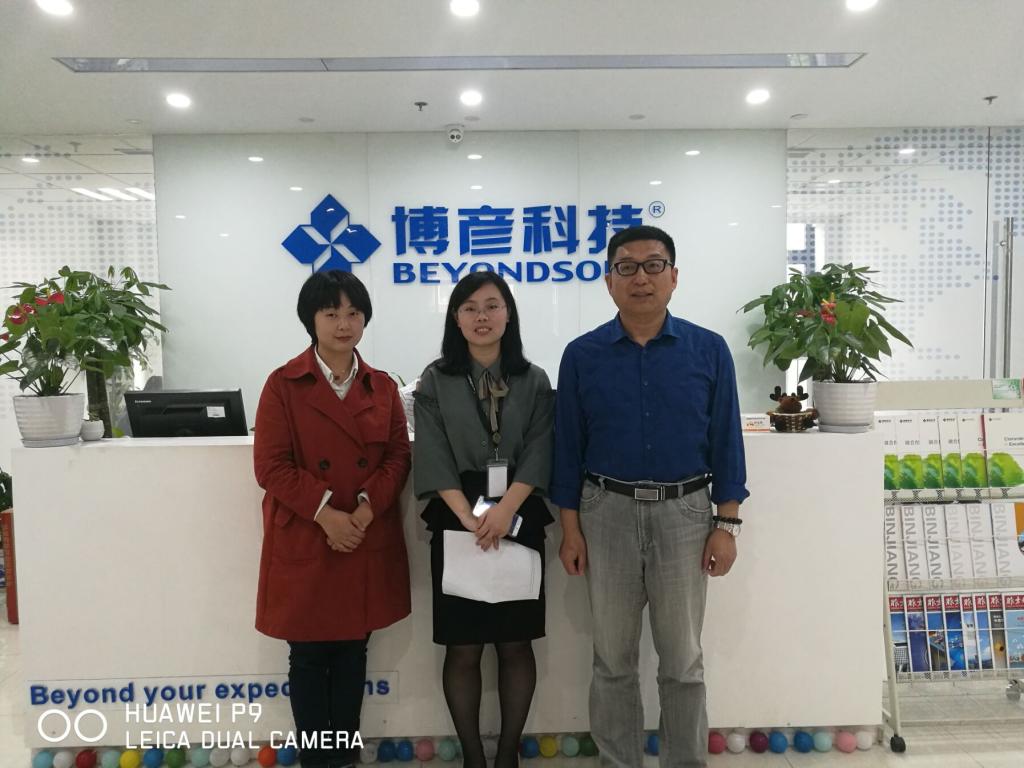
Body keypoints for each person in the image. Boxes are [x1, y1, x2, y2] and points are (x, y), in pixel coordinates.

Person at [551, 225, 749, 768]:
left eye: (653, 265)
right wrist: (570, 529)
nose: (641, 277)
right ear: (609, 281)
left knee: (682, 661)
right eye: (627, 267)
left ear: (674, 277)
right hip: (604, 512)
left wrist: (727, 525)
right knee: (612, 660)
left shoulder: (708, 350)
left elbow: (726, 441)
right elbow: (567, 449)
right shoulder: (582, 355)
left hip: (686, 514)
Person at [253, 270, 412, 768]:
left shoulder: (382, 386)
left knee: (352, 653)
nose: (344, 324)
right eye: (331, 313)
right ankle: (317, 761)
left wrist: (363, 510)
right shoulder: (283, 384)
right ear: (312, 320)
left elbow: (398, 457)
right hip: (309, 535)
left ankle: (342, 759)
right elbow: (270, 465)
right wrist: (327, 515)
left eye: (353, 313)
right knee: (307, 657)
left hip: (364, 534)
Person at [413, 272, 554, 768]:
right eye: (470, 307)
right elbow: (431, 454)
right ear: (455, 318)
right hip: (458, 516)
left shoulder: (534, 379)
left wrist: (506, 510)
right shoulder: (436, 379)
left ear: (508, 314)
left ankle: (507, 754)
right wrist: (471, 519)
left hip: (519, 510)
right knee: (464, 645)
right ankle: (473, 756)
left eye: (492, 306)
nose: (481, 317)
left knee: (516, 643)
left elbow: (541, 448)